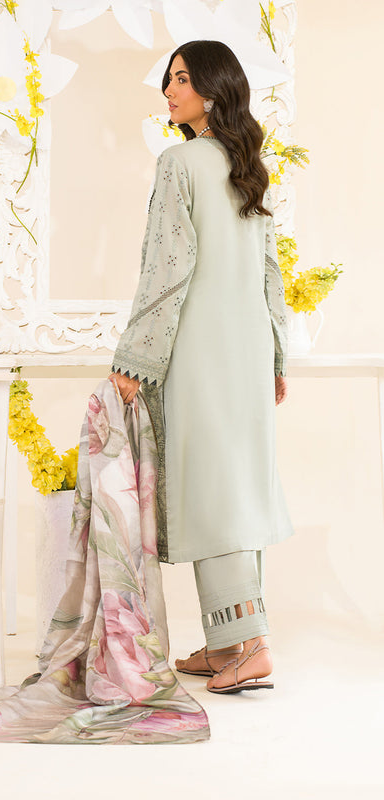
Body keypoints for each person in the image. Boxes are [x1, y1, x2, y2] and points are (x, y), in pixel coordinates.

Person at [111, 40, 295, 694]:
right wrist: (275, 355)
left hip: (198, 350)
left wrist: (135, 358)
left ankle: (253, 646)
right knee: (233, 486)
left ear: (214, 87)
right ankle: (227, 645)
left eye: (182, 79)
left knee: (213, 491)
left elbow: (166, 268)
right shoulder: (248, 167)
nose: (169, 91)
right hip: (245, 351)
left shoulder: (179, 162)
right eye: (168, 79)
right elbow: (270, 272)